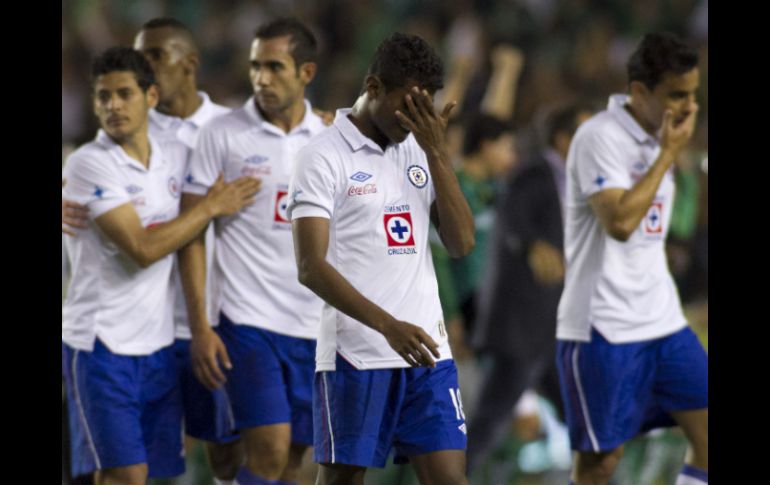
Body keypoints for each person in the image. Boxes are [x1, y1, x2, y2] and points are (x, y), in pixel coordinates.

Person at [61, 46, 259, 485]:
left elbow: (248, 127)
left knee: (149, 473)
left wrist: (325, 120)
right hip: (100, 345)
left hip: (157, 346)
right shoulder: (90, 163)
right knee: (125, 475)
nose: (113, 105)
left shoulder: (175, 152)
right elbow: (143, 248)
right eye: (103, 96)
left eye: (124, 94)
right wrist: (208, 208)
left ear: (150, 97)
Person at [288, 32, 475, 485]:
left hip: (428, 356)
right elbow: (311, 267)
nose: (416, 118)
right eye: (407, 104)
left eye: (425, 106)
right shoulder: (321, 157)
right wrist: (387, 325)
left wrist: (437, 154)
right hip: (358, 356)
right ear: (374, 88)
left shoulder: (420, 147)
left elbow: (461, 243)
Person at [178, 17, 327, 485]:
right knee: (269, 449)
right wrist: (201, 326)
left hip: (313, 324)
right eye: (255, 66)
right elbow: (189, 235)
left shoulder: (329, 138)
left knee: (294, 462)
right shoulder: (222, 135)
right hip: (247, 323)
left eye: (274, 67)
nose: (262, 78)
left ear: (306, 72)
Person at [555, 32, 707, 485]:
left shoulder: (659, 137)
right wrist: (667, 155)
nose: (688, 106)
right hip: (603, 328)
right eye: (676, 95)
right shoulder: (598, 137)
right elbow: (619, 223)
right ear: (639, 92)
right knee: (601, 465)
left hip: (661, 320)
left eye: (694, 93)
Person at [465, 103, 591, 474]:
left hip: (551, 330)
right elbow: (512, 218)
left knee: (583, 420)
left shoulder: (579, 184)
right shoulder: (536, 175)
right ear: (563, 139)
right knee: (490, 423)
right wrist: (532, 244)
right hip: (522, 330)